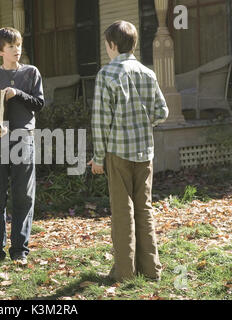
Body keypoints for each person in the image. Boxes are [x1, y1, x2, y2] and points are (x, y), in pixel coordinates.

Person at [88, 20, 169, 282]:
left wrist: (98, 158)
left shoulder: (106, 74)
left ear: (112, 45)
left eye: (106, 45)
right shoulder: (148, 73)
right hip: (145, 152)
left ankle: (124, 273)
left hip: (118, 153)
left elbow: (101, 122)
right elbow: (162, 112)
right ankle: (151, 269)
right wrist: (144, 123)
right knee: (144, 208)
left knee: (123, 211)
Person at [0, 27, 44, 265]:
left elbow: (39, 103)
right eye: (11, 46)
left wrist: (17, 93)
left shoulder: (31, 73)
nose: (17, 50)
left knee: (23, 196)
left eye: (19, 45)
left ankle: (20, 251)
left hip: (23, 138)